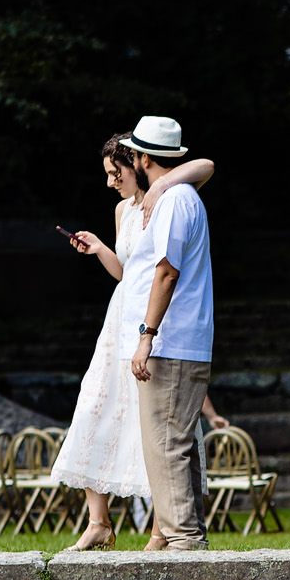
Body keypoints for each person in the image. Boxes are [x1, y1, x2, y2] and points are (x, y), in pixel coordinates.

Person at [53, 133, 215, 550]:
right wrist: (101, 249)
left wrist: (160, 184)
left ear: (139, 162)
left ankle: (165, 532)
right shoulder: (124, 209)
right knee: (96, 409)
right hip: (122, 321)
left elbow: (206, 165)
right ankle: (99, 522)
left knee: (155, 430)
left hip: (153, 325)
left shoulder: (172, 197)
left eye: (116, 172)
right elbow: (130, 273)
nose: (111, 181)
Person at [119, 115, 216, 552]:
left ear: (143, 159)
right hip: (178, 341)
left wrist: (147, 335)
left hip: (172, 341)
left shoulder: (176, 200)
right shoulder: (177, 194)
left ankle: (184, 542)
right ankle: (186, 536)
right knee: (174, 443)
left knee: (166, 445)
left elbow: (166, 271)